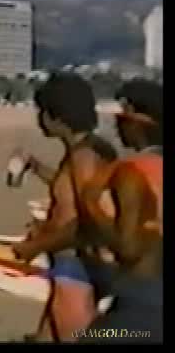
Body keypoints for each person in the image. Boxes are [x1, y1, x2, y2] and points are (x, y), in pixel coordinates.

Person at [9, 73, 118, 342]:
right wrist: (35, 166)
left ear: (55, 117)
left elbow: (89, 217)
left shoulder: (84, 157)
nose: (39, 119)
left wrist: (37, 244)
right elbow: (69, 189)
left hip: (75, 264)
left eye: (42, 112)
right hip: (72, 261)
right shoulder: (86, 149)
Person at [74, 79, 162, 342]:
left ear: (137, 124)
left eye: (120, 120)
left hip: (142, 299)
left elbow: (129, 248)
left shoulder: (132, 171)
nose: (116, 126)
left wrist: (90, 205)